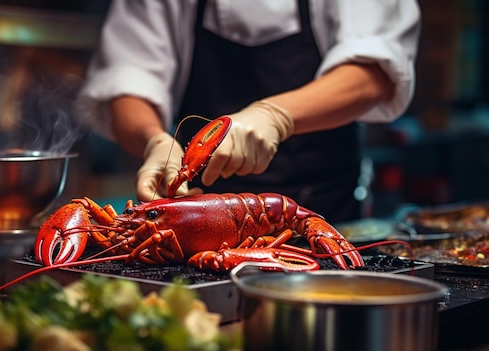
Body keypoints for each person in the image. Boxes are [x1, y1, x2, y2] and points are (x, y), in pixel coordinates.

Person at [76, 0, 421, 223]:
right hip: (197, 210)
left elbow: (376, 73)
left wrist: (276, 114)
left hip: (325, 212)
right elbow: (128, 77)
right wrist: (154, 142)